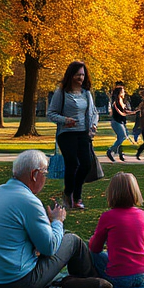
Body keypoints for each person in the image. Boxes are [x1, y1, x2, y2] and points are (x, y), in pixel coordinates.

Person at [0, 149, 111, 288]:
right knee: (73, 241)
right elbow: (49, 248)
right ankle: (92, 282)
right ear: (34, 174)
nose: (45, 179)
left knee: (59, 241)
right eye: (44, 173)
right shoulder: (29, 201)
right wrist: (57, 221)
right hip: (16, 284)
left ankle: (70, 283)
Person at [46, 61, 99, 209]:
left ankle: (74, 194)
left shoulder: (86, 93)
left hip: (83, 133)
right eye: (77, 75)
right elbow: (51, 114)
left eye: (82, 75)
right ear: (71, 75)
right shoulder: (61, 93)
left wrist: (93, 125)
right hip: (66, 134)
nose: (80, 78)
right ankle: (73, 196)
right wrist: (65, 120)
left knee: (86, 164)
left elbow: (94, 112)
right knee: (73, 163)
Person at [88, 172, 144, 288]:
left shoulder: (107, 217)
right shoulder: (142, 214)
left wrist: (92, 239)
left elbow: (95, 248)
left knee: (94, 254)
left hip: (120, 278)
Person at [107, 82, 131, 162]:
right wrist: (133, 112)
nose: (124, 93)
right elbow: (122, 112)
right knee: (122, 137)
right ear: (120, 92)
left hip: (121, 121)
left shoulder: (120, 100)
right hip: (117, 121)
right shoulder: (116, 102)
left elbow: (124, 111)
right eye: (123, 91)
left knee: (122, 137)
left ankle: (120, 154)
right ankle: (110, 151)